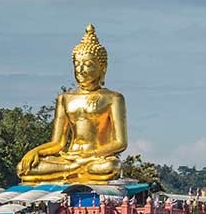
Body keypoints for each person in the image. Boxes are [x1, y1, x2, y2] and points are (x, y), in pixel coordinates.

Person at [17, 24, 126, 183]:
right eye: (77, 64)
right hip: (69, 158)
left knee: (111, 167)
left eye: (88, 64)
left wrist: (89, 156)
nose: (81, 69)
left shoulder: (113, 98)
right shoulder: (65, 98)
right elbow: (57, 143)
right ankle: (74, 171)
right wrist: (35, 152)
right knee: (23, 168)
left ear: (103, 68)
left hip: (95, 159)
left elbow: (120, 142)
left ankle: (74, 171)